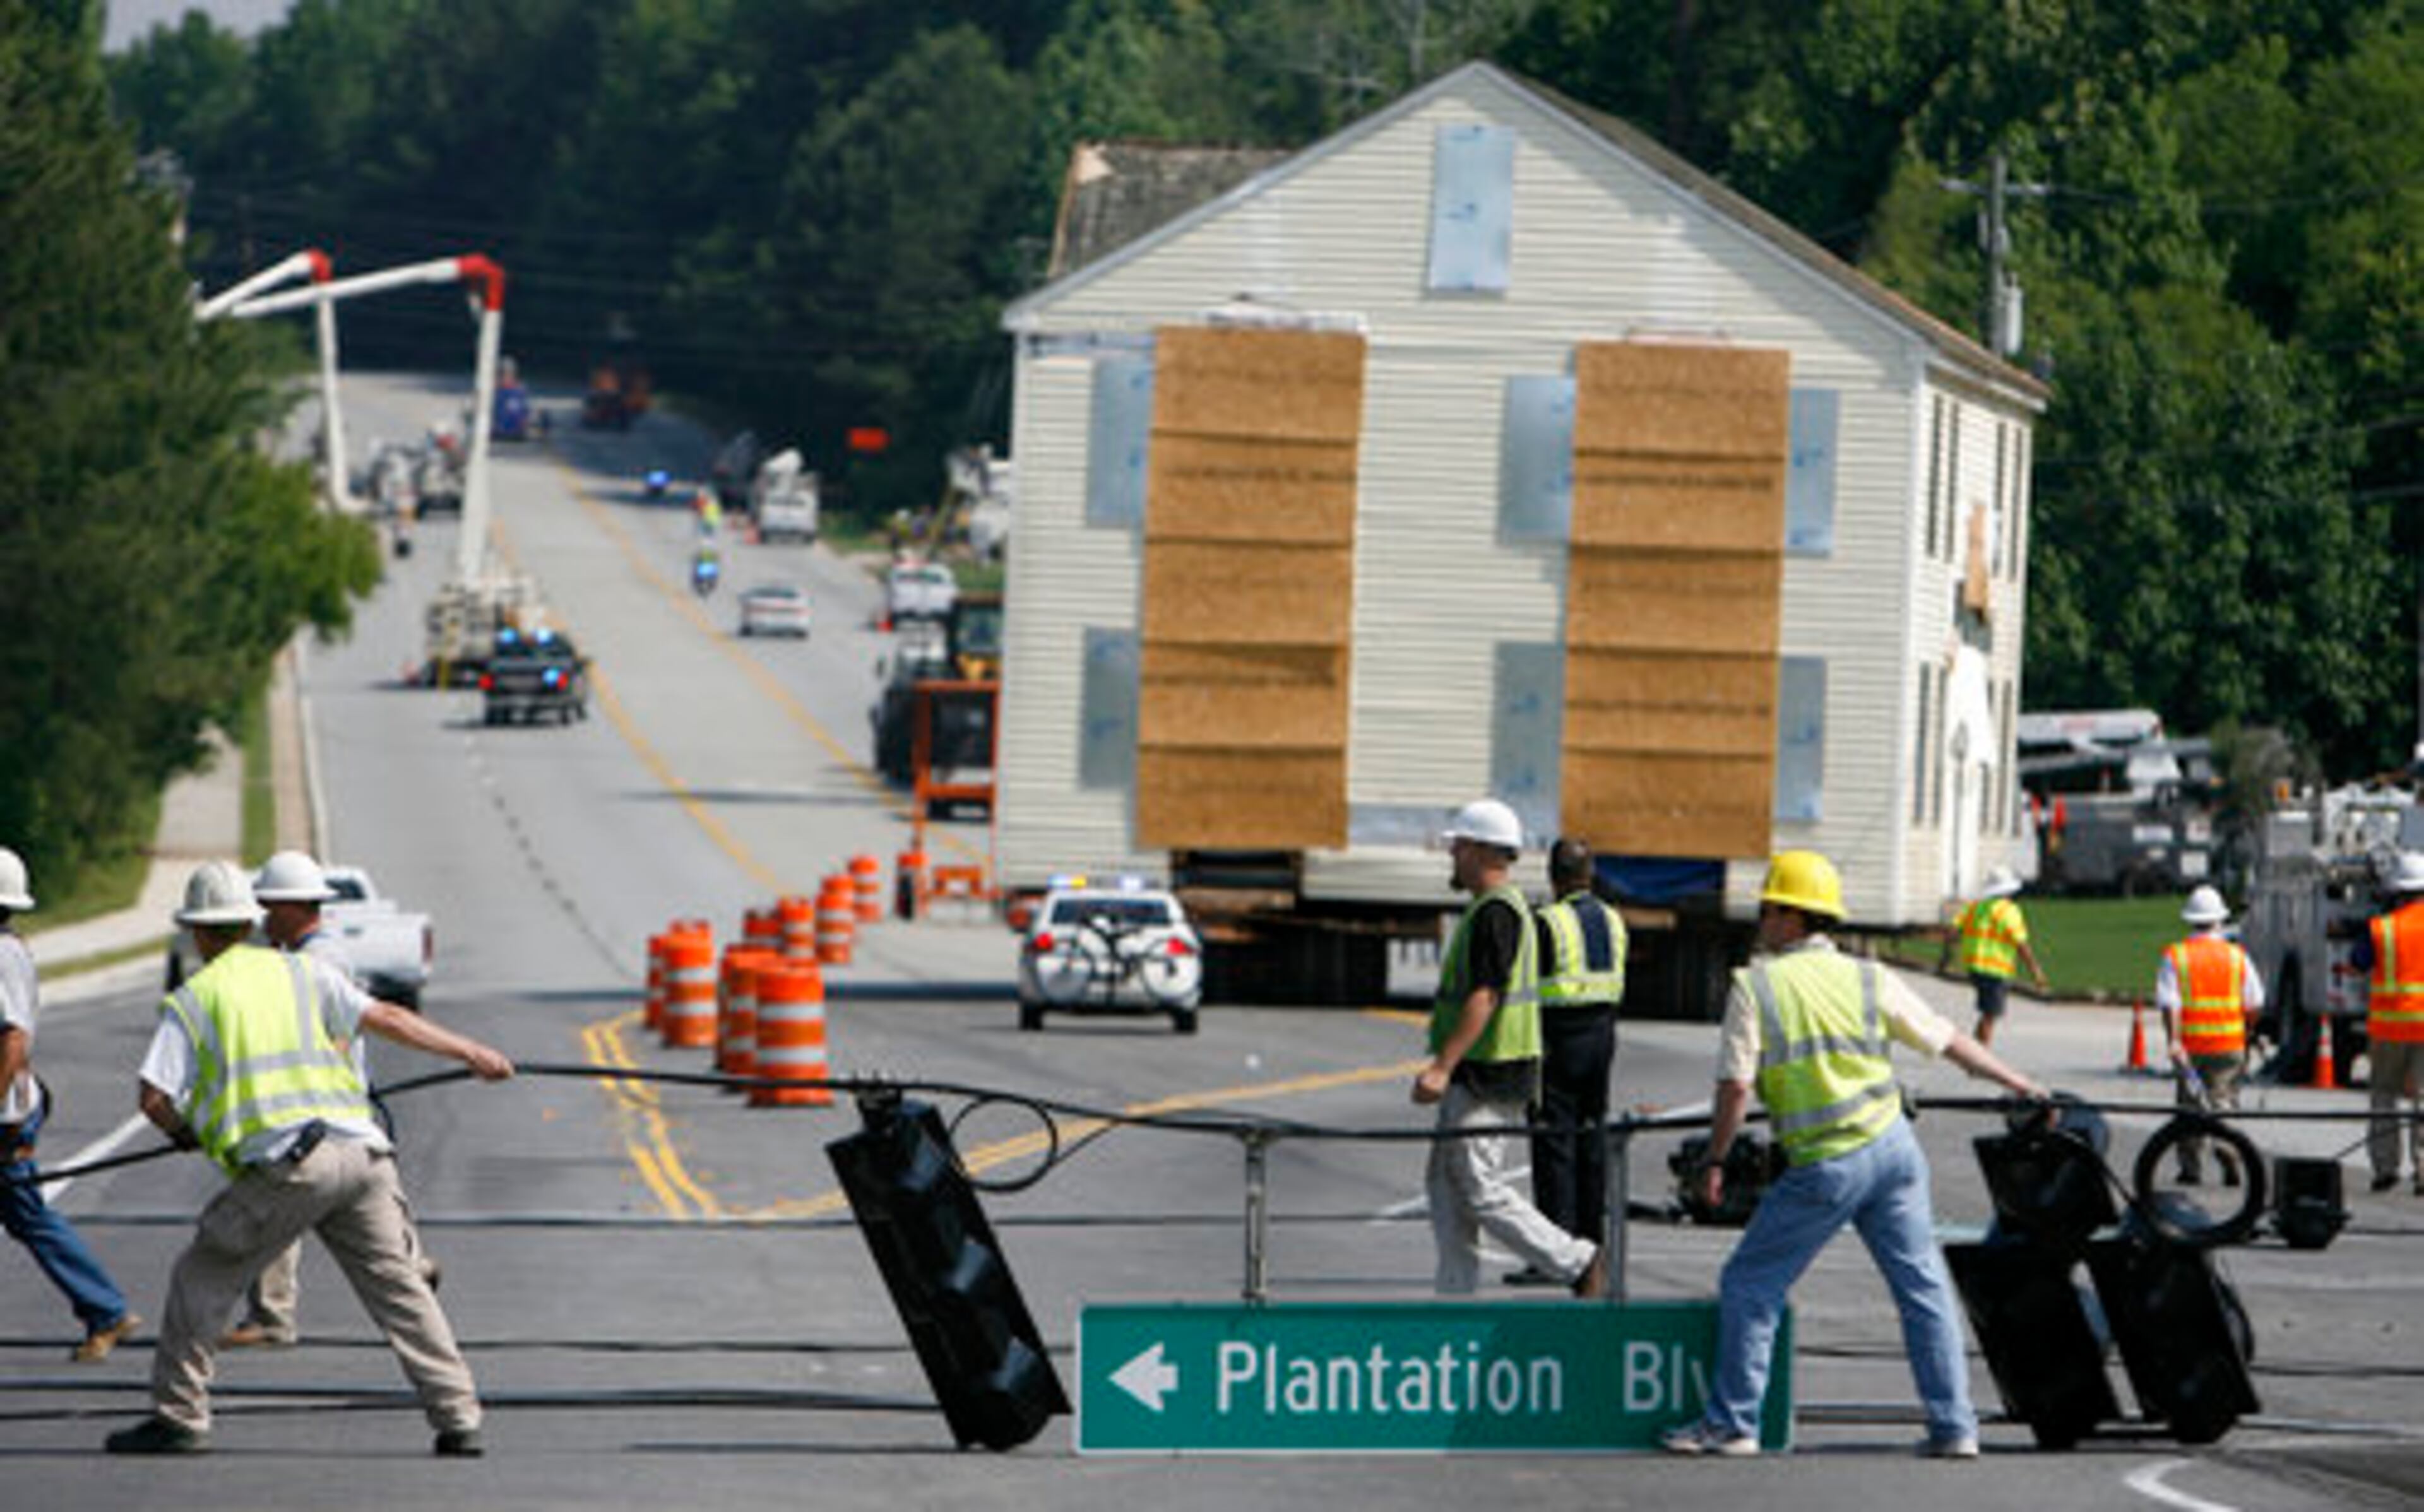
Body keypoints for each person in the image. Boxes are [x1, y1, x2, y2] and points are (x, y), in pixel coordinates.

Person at [105, 862, 514, 1457]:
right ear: (250, 921)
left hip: (293, 1166)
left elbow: (153, 1099)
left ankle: (179, 1415)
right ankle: (458, 1416)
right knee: (400, 1289)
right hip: (365, 1153)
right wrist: (472, 1052)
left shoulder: (193, 1001)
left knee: (201, 1276)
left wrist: (187, 1134)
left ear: (197, 932)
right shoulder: (302, 972)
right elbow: (389, 1018)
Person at [1662, 850, 2045, 1460]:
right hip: (1893, 1150)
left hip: (1826, 1162)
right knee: (1923, 1289)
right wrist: (2018, 1083)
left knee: (1750, 1282)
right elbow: (1948, 1041)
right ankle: (1955, 1426)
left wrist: (1714, 1159)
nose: (1761, 916)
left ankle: (1733, 1422)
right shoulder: (1870, 977)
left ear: (1792, 917)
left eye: (1768, 906)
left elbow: (1735, 1086)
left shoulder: (1755, 985)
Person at [220, 851, 441, 1350]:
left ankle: (276, 1315)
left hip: (320, 1110)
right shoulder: (305, 955)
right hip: (325, 1108)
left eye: (271, 905)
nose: (264, 915)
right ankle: (406, 1271)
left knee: (284, 1203)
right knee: (334, 1210)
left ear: (296, 906)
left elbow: (338, 1031)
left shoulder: (319, 960)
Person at [1415, 800, 1608, 1301]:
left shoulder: (1497, 912)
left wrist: (1441, 1067)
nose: (1453, 855)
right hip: (1486, 1071)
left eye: (1459, 846)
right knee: (1447, 1184)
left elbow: (1486, 994)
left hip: (1489, 1073)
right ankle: (1454, 1297)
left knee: (1477, 1185)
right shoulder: (1498, 908)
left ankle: (1577, 1260)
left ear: (1481, 850)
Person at [0, 846, 141, 1363]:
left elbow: (14, 1040)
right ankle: (105, 1310)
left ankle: (107, 1310)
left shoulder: (2, 955)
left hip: (5, 1115)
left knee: (29, 1215)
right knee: (27, 1216)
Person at [1509, 837, 1625, 1279]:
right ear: (1590, 875)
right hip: (1603, 1035)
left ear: (1553, 877)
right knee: (1591, 1137)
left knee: (1553, 1143)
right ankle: (1592, 1245)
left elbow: (1525, 984)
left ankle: (1556, 1253)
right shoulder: (1614, 920)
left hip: (1560, 1036)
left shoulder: (1548, 923)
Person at [2156, 885, 2264, 1187]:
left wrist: (2173, 1040)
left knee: (2190, 1106)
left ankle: (2191, 1168)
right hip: (2229, 1046)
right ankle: (2228, 1149)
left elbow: (2170, 1004)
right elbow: (2255, 1002)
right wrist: (2247, 1030)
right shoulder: (2236, 956)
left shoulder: (2176, 956)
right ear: (2219, 920)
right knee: (2224, 1101)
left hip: (2191, 1050)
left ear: (2190, 920)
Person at [2362, 853, 2424, 1194]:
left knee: (2384, 1097)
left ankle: (2386, 1168)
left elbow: (2358, 962)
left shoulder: (2381, 928)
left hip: (2388, 1029)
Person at [1935, 866, 2049, 1046]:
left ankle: (1977, 1048)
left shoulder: (1974, 908)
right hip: (1997, 969)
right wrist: (2036, 971)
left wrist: (1947, 958)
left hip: (1975, 968)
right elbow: (2021, 944)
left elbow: (1953, 933)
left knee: (1987, 1013)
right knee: (1991, 1014)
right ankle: (1980, 1054)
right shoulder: (2009, 911)